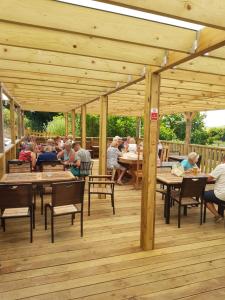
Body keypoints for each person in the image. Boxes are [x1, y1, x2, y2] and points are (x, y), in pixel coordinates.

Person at [204, 156, 225, 223]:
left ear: (223, 159)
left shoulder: (222, 166)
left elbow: (209, 179)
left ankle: (218, 216)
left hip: (222, 195)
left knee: (203, 195)